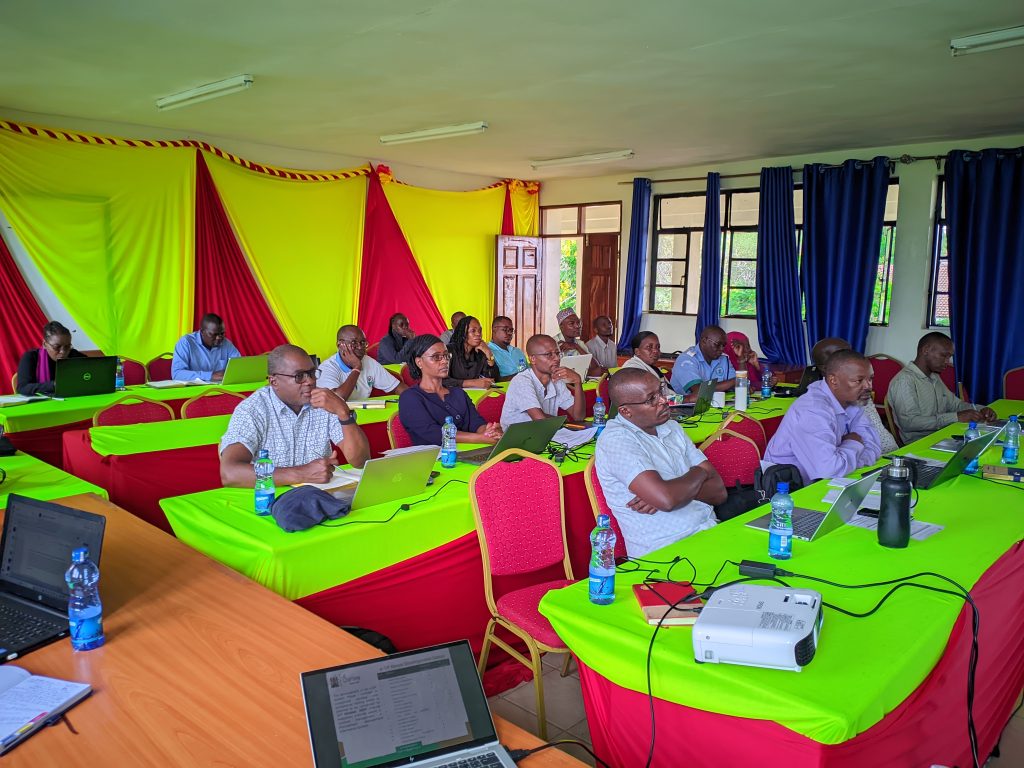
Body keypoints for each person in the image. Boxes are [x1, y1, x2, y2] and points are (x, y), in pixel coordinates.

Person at [595, 368, 727, 558]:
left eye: (661, 390)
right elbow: (667, 500)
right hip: (664, 552)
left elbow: (719, 492)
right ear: (626, 411)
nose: (664, 400)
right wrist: (700, 472)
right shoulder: (616, 440)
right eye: (651, 399)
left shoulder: (672, 427)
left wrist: (673, 491)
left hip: (710, 531)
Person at [219, 344, 370, 487]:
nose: (310, 381)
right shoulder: (253, 410)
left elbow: (361, 461)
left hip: (319, 497)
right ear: (274, 381)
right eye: (299, 376)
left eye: (312, 373)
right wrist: (302, 474)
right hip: (268, 499)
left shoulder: (326, 402)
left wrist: (343, 413)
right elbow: (230, 473)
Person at [764, 349, 882, 484]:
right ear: (833, 380)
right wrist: (853, 443)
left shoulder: (853, 402)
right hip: (790, 487)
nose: (868, 386)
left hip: (826, 481)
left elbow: (873, 447)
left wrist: (844, 460)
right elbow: (828, 470)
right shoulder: (812, 409)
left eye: (870, 379)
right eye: (858, 380)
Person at [888, 332, 996, 444]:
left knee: (989, 442)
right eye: (944, 355)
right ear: (926, 350)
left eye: (949, 357)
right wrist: (956, 417)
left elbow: (955, 405)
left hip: (944, 435)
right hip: (921, 443)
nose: (947, 362)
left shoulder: (934, 377)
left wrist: (980, 409)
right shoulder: (904, 381)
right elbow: (909, 423)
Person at [398, 335, 503, 446]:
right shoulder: (410, 398)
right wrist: (480, 438)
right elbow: (433, 433)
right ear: (419, 362)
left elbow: (476, 423)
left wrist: (489, 432)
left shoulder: (458, 393)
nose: (444, 361)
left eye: (446, 355)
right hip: (433, 456)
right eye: (436, 357)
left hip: (469, 453)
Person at [809, 337, 898, 453]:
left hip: (887, 451)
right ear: (824, 367)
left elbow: (873, 429)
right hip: (864, 456)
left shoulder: (859, 387)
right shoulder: (819, 404)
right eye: (843, 355)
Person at [500, 334, 585, 429]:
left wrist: (577, 381)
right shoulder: (521, 381)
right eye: (549, 354)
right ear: (533, 359)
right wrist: (564, 421)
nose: (557, 358)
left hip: (545, 432)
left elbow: (579, 417)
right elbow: (540, 420)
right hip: (517, 436)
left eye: (557, 353)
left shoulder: (556, 380)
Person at [316, 324, 406, 401]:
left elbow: (397, 387)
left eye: (363, 342)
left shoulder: (368, 361)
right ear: (340, 345)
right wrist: (356, 368)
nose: (360, 347)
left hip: (364, 414)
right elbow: (337, 399)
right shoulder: (327, 368)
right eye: (354, 343)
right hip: (338, 416)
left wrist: (412, 399)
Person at [16, 320, 87, 396]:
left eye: (67, 346)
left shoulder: (75, 356)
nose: (63, 351)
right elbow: (22, 388)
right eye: (57, 347)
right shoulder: (31, 357)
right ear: (44, 344)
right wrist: (54, 385)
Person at [669, 325, 736, 398]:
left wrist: (742, 359)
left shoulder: (724, 359)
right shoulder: (686, 360)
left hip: (715, 403)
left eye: (724, 345)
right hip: (684, 404)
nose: (721, 349)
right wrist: (736, 380)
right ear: (704, 341)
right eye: (718, 344)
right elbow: (699, 390)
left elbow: (737, 385)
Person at [171, 313, 241, 382]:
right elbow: (177, 374)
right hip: (194, 388)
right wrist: (210, 375)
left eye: (222, 333)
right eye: (214, 334)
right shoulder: (186, 343)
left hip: (220, 387)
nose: (218, 338)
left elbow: (240, 366)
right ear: (202, 332)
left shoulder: (226, 343)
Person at [444, 315, 499, 388]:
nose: (478, 334)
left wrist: (489, 354)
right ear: (463, 333)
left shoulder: (480, 352)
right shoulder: (449, 350)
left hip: (475, 393)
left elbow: (494, 379)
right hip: (452, 394)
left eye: (480, 331)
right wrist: (472, 383)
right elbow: (442, 380)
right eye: (473, 331)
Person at [621, 331, 674, 395]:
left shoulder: (654, 369)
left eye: (658, 347)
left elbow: (668, 394)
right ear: (637, 351)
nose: (656, 351)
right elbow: (647, 398)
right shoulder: (632, 369)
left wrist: (681, 399)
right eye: (649, 347)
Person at [554, 308, 600, 377]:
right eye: (571, 323)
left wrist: (576, 347)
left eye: (578, 322)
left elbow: (596, 367)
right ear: (561, 327)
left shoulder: (580, 344)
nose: (577, 326)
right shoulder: (553, 343)